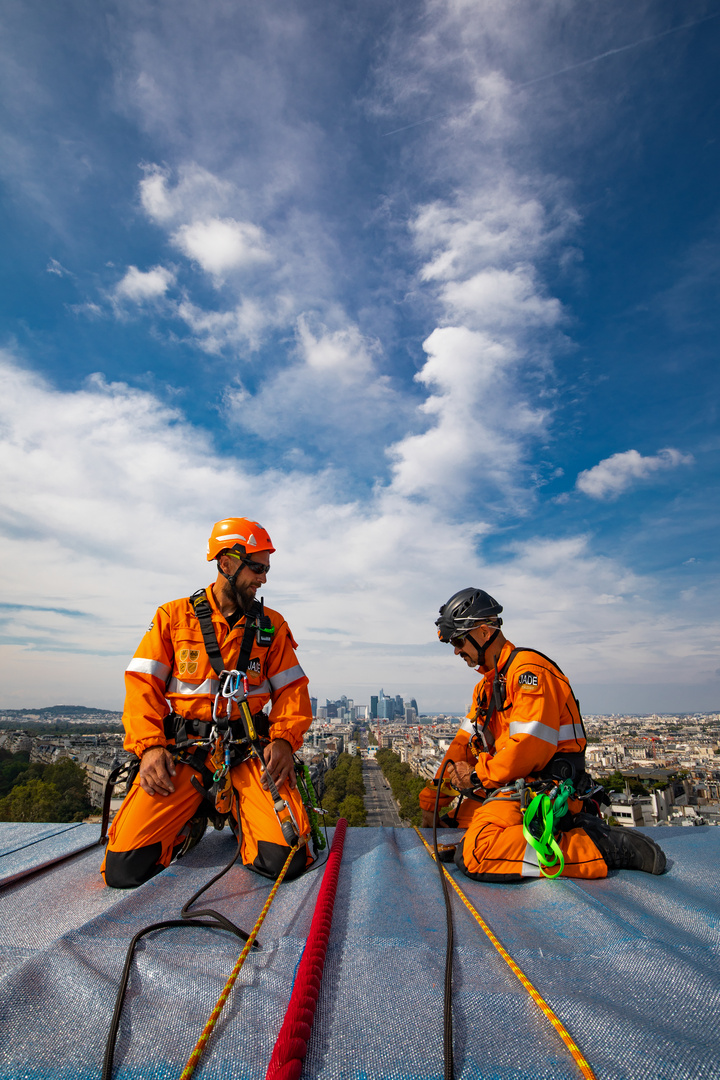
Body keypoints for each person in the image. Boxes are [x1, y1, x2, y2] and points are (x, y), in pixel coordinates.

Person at [102, 517, 314, 888]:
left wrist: (283, 740)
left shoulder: (271, 626)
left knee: (286, 860)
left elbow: (293, 691)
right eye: (258, 568)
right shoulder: (173, 617)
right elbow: (142, 686)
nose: (263, 579)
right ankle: (190, 820)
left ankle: (241, 813)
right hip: (186, 752)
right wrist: (150, 748)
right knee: (125, 868)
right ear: (227, 563)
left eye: (266, 569)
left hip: (247, 751)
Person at [419, 588, 666, 881]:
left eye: (459, 641)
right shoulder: (486, 687)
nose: (457, 650)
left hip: (547, 790)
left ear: (484, 633)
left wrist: (474, 778)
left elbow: (529, 747)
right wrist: (432, 798)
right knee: (454, 826)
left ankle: (597, 847)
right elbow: (462, 745)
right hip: (516, 786)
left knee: (477, 853)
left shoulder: (528, 672)